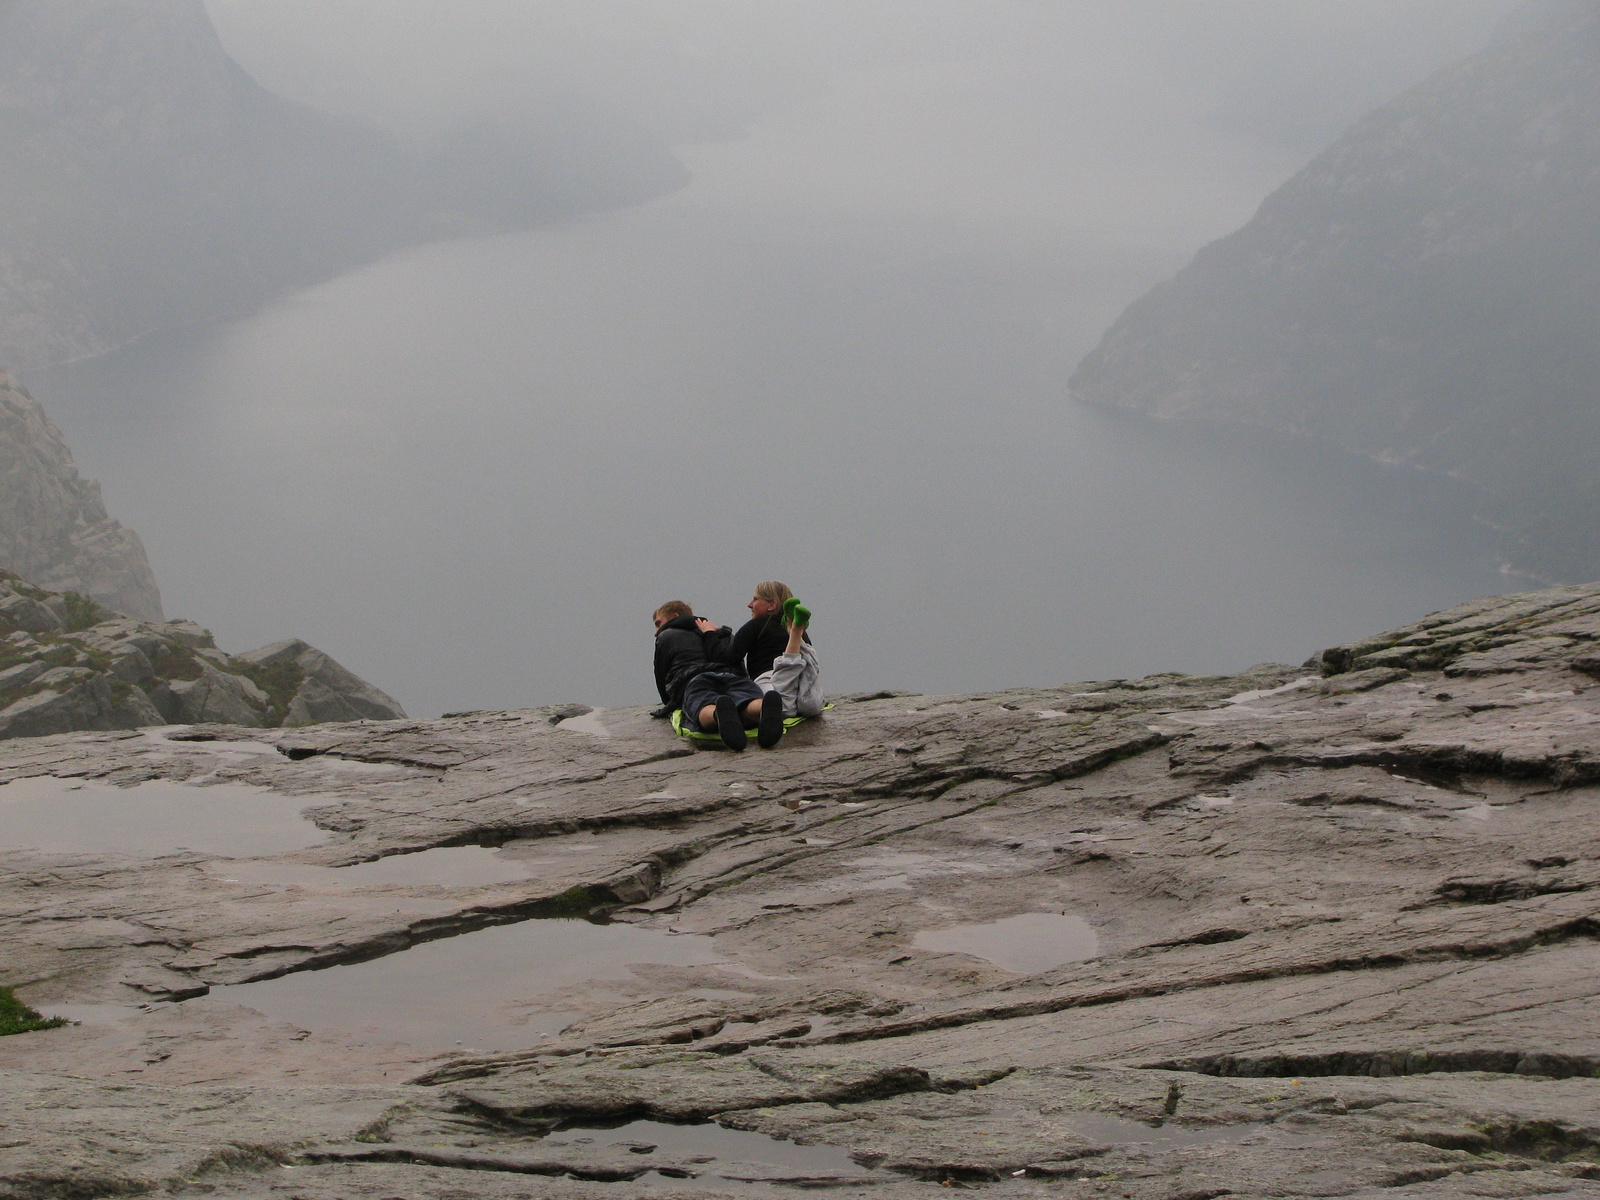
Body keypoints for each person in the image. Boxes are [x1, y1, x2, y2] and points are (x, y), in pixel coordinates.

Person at [652, 600, 784, 751]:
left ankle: (717, 714)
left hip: (695, 680)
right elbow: (737, 660)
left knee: (702, 705)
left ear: (675, 616)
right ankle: (762, 707)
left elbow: (661, 674)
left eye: (658, 623)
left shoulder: (667, 636)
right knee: (744, 701)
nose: (656, 631)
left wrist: (670, 703)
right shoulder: (720, 632)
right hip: (732, 676)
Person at [717, 581, 823, 721]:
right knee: (807, 702)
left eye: (755, 599)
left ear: (772, 605)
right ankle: (793, 628)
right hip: (801, 680)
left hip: (768, 679)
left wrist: (715, 635)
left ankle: (781, 705)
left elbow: (730, 657)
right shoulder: (804, 635)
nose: (749, 605)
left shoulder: (756, 625)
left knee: (776, 704)